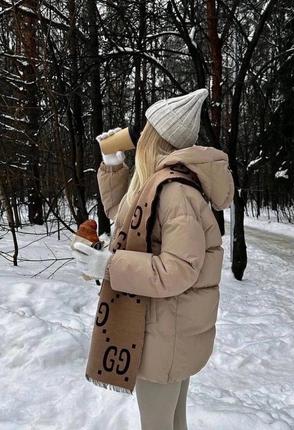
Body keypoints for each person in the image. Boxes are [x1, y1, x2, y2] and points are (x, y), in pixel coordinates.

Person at [72, 88, 234, 430]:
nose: (137, 136)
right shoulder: (166, 184)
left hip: (164, 333)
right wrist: (113, 166)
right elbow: (130, 221)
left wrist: (109, 267)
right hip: (169, 329)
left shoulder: (175, 192)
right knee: (173, 422)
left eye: (145, 130)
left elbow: (177, 270)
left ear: (155, 140)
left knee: (159, 425)